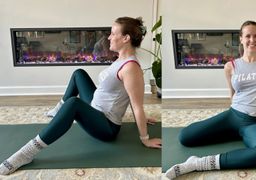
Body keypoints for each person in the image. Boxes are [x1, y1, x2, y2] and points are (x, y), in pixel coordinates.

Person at [0, 16, 161, 175]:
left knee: (73, 103)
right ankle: (59, 110)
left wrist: (145, 138)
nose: (109, 37)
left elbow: (136, 103)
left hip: (106, 125)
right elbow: (127, 95)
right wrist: (143, 117)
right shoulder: (121, 59)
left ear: (126, 38)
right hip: (95, 106)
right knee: (79, 74)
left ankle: (26, 153)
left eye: (113, 33)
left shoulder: (131, 68)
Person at [165, 20, 256, 179]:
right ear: (241, 38)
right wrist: (226, 121)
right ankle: (237, 132)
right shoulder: (230, 66)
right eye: (248, 36)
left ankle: (199, 163)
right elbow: (232, 94)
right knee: (185, 136)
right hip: (234, 116)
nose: (252, 40)